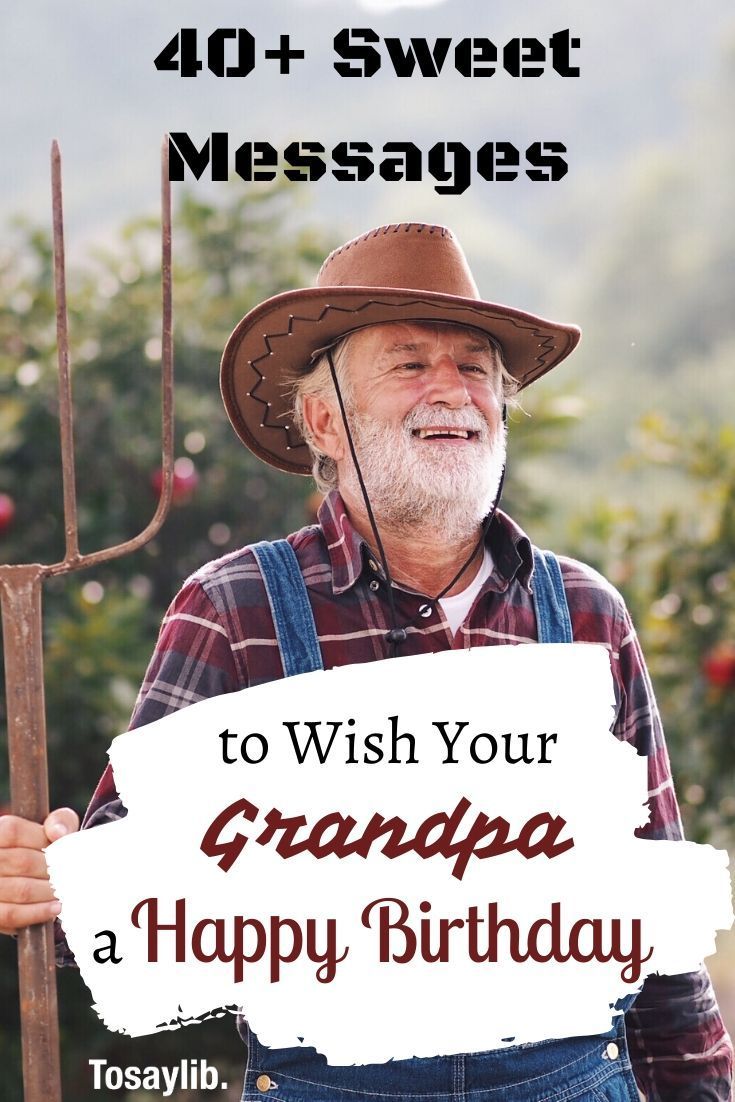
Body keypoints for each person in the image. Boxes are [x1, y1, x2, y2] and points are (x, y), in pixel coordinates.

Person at [0, 222, 732, 1101]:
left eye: (474, 367)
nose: (451, 391)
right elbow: (128, 902)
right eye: (409, 363)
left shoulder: (583, 615)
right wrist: (55, 879)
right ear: (323, 420)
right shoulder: (235, 611)